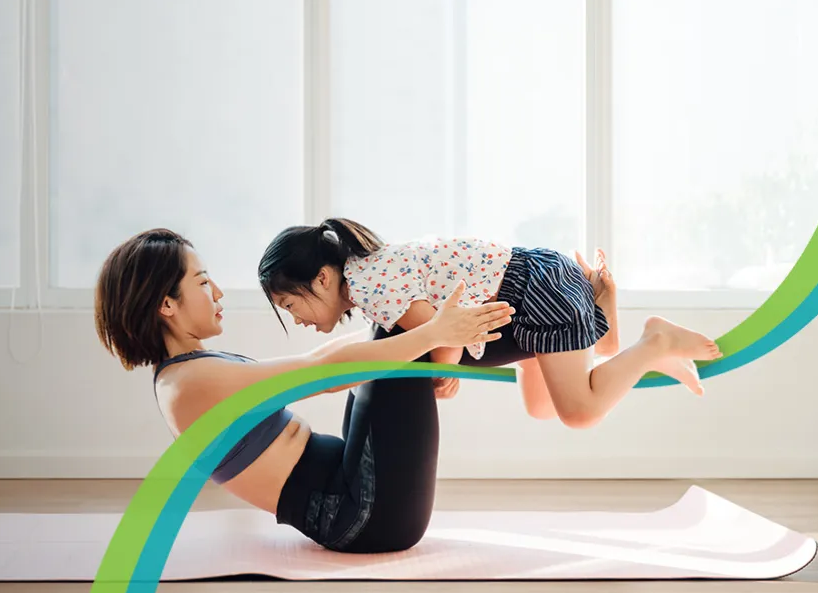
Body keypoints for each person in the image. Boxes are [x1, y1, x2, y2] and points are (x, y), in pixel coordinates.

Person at [93, 228, 514, 553]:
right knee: (403, 326)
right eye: (203, 283)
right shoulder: (187, 385)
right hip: (365, 515)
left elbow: (325, 355)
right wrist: (434, 332)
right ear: (166, 305)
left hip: (362, 498)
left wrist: (428, 330)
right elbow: (323, 372)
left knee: (399, 323)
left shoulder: (192, 371)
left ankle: (551, 311)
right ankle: (554, 315)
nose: (218, 292)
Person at [257, 218, 723, 429]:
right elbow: (445, 323)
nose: (296, 320)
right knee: (542, 407)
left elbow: (447, 326)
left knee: (579, 412)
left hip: (530, 294)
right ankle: (619, 321)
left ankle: (655, 341)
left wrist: (445, 369)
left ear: (321, 278)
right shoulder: (373, 268)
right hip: (535, 280)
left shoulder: (369, 285)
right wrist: (447, 357)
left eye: (289, 305)